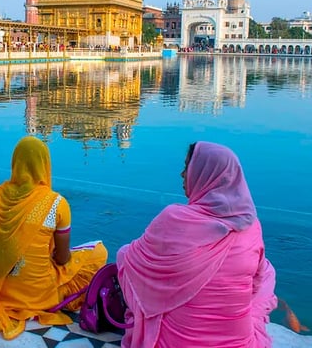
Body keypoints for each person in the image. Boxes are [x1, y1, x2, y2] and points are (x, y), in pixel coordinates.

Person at [117, 141, 277, 348]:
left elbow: (133, 263)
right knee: (267, 271)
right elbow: (254, 287)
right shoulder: (251, 225)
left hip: (175, 342)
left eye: (187, 168)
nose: (182, 175)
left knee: (125, 256)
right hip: (238, 342)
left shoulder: (174, 219)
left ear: (206, 175)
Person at [0, 136, 108, 341]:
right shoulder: (56, 203)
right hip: (38, 295)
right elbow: (62, 259)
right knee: (99, 251)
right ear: (44, 165)